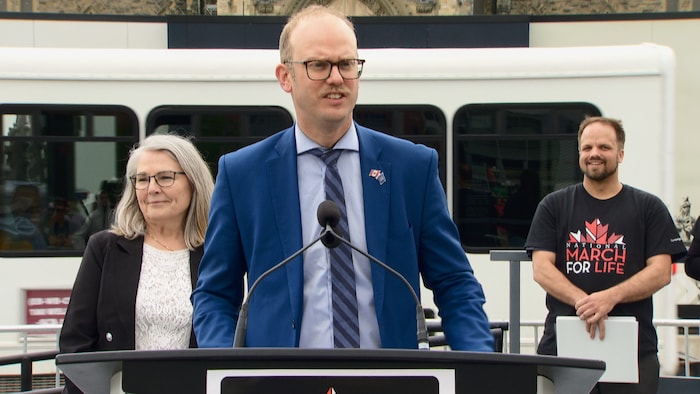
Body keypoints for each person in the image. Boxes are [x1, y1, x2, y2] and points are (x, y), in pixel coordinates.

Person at [191, 5, 493, 351]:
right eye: (318, 65)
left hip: (389, 378)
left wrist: (477, 365)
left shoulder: (412, 168)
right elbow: (215, 294)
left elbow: (454, 282)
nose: (336, 78)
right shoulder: (242, 174)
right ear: (285, 77)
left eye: (346, 64)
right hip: (277, 381)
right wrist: (225, 367)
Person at [525, 116, 687, 393]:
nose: (594, 154)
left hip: (634, 352)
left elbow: (661, 272)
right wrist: (585, 302)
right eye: (587, 148)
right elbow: (542, 268)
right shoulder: (553, 206)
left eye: (604, 147)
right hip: (562, 351)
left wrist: (609, 298)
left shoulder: (649, 207)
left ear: (620, 154)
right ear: (579, 154)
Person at [59, 134, 214, 394]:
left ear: (193, 182)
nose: (152, 188)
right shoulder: (105, 248)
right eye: (142, 179)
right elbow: (76, 342)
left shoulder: (215, 252)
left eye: (165, 177)